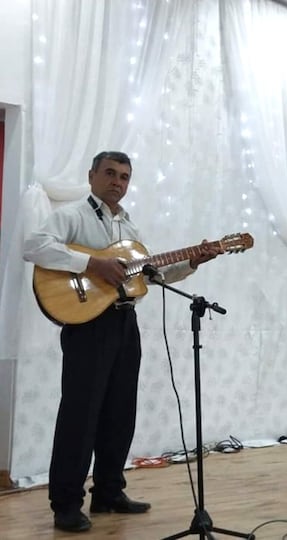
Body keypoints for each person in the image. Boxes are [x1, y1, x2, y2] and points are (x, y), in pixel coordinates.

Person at [23, 151, 223, 532]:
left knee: (120, 411)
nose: (117, 182)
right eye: (110, 173)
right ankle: (66, 503)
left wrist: (194, 261)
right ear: (92, 176)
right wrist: (91, 264)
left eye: (124, 177)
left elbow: (150, 275)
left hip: (124, 323)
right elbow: (33, 246)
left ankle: (108, 492)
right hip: (88, 326)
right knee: (80, 415)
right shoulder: (72, 215)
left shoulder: (129, 229)